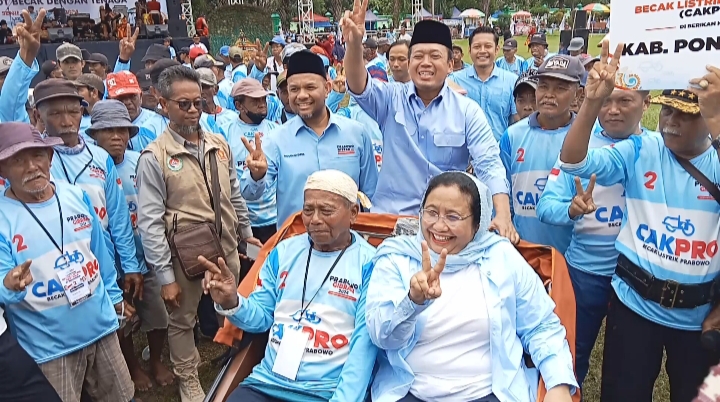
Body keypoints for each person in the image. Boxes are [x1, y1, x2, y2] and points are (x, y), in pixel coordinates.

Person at [559, 41, 720, 402]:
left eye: (687, 115)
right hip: (633, 308)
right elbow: (574, 163)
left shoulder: (715, 162)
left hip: (697, 318)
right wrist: (591, 103)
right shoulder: (640, 150)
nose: (671, 123)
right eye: (667, 112)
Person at [365, 171, 577, 402]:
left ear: (478, 223)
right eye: (431, 212)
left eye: (453, 217)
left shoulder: (502, 256)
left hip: (488, 392)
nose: (439, 226)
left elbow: (540, 326)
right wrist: (413, 302)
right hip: (410, 392)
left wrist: (558, 383)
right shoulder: (397, 257)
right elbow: (382, 338)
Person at [342, 2, 517, 243]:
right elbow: (358, 84)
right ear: (410, 62)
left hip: (444, 231)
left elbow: (489, 164)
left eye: (435, 56)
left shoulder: (467, 111)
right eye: (418, 56)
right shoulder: (390, 100)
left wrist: (504, 214)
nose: (425, 63)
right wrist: (354, 45)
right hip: (390, 227)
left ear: (449, 65)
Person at [136, 65, 260, 402]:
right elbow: (149, 222)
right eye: (183, 104)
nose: (193, 111)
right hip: (185, 256)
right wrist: (165, 277)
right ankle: (187, 377)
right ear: (162, 103)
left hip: (226, 248)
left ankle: (230, 359)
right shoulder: (154, 157)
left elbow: (232, 193)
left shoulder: (218, 144)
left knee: (230, 306)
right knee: (182, 320)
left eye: (198, 103)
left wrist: (245, 231)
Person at [200, 169, 377, 402]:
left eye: (326, 211)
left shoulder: (370, 264)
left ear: (353, 213)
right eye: (308, 210)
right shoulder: (283, 251)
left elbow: (363, 349)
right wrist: (231, 301)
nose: (314, 219)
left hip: (326, 391)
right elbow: (261, 317)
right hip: (268, 383)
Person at [0, 122, 134, 401]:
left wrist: (114, 296)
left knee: (121, 396)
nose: (31, 167)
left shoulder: (75, 195)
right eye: (18, 160)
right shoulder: (2, 217)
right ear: (2, 171)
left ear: (50, 158)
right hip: (49, 347)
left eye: (38, 156)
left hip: (100, 327)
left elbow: (99, 252)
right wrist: (10, 285)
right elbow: (4, 284)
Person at [536, 86, 651, 389]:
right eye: (605, 101)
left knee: (628, 368)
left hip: (635, 280)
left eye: (624, 101)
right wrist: (572, 210)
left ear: (646, 102)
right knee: (573, 355)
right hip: (583, 274)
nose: (612, 110)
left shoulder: (657, 147)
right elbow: (545, 206)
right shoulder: (577, 146)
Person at [85, 99, 175, 391]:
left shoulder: (141, 162)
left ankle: (156, 360)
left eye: (122, 131)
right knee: (122, 321)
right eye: (108, 131)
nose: (116, 137)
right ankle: (133, 366)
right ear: (94, 135)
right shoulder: (90, 172)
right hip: (110, 266)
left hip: (147, 257)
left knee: (158, 314)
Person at [240, 51, 378, 228]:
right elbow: (249, 193)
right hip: (295, 246)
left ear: (327, 88)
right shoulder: (276, 140)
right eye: (294, 89)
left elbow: (371, 194)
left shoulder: (356, 134)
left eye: (310, 88)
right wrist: (256, 175)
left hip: (349, 245)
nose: (302, 95)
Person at [499, 55, 585, 254]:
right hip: (523, 250)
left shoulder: (589, 136)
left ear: (578, 94)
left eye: (561, 88)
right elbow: (503, 192)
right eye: (544, 86)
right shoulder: (512, 135)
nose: (549, 95)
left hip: (571, 256)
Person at [451, 27, 519, 141]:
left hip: (499, 152)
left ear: (496, 50)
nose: (482, 51)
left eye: (488, 46)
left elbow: (518, 119)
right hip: (464, 153)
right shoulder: (454, 81)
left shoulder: (512, 81)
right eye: (477, 47)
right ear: (469, 50)